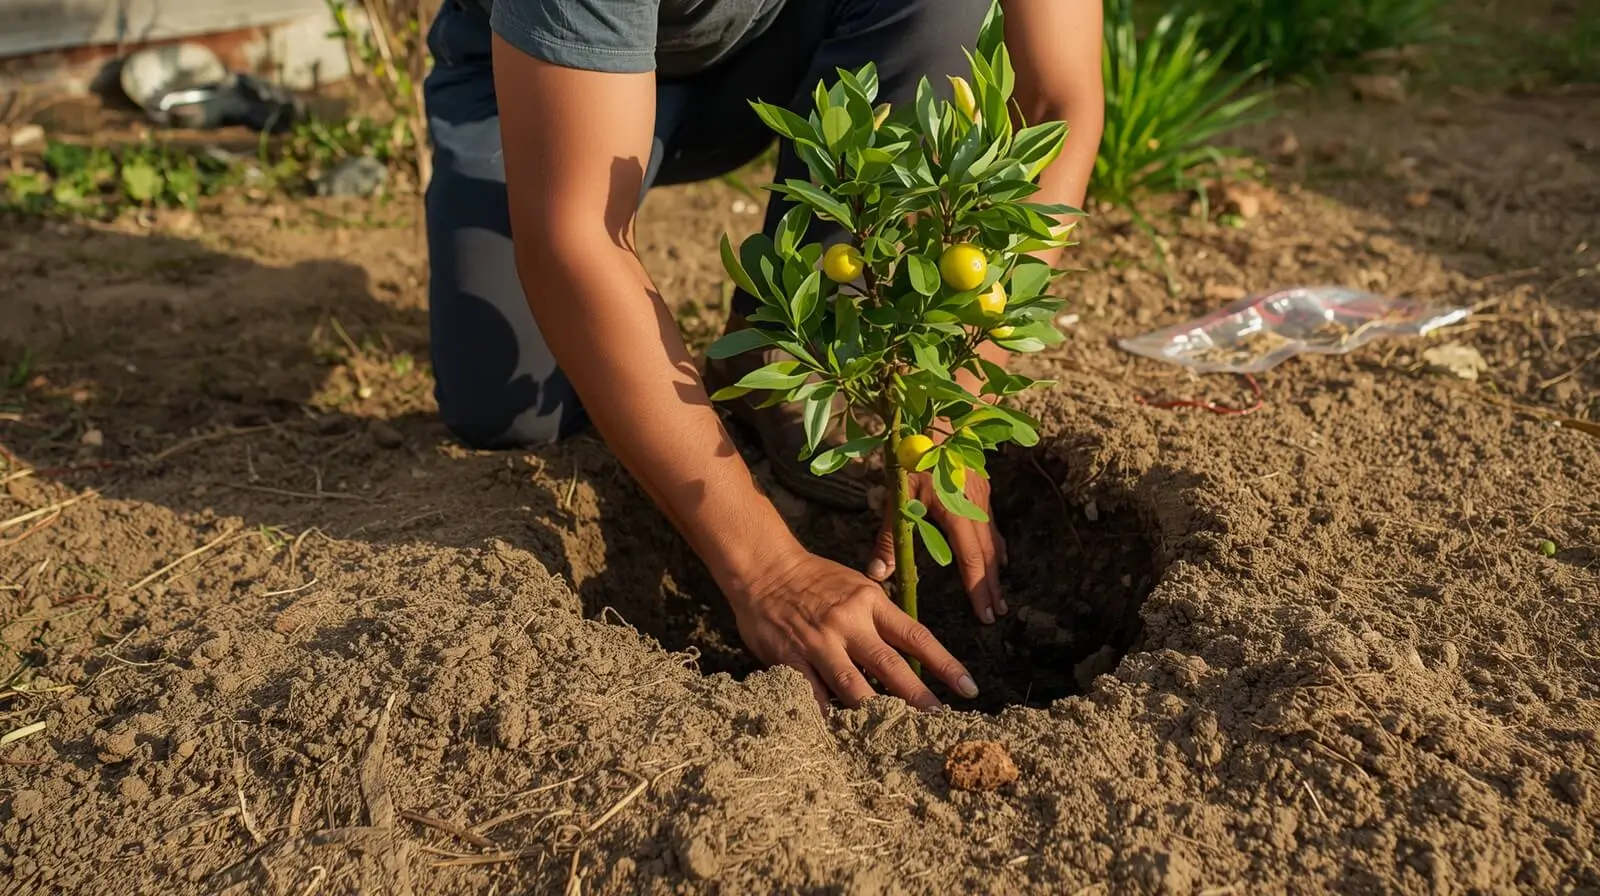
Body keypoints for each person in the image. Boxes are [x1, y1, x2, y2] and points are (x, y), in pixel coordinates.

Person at [422, 0, 1104, 710]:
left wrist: (952, 403)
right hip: (539, 77)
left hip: (763, 57)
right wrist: (769, 571)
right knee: (510, 409)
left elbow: (1060, 100)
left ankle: (771, 358)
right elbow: (574, 239)